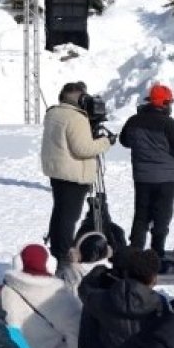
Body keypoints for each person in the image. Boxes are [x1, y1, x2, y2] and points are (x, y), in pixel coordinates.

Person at [41, 82, 114, 261]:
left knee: (59, 213)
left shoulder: (53, 113)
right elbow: (83, 148)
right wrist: (106, 142)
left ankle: (57, 250)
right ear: (81, 99)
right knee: (68, 218)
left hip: (58, 171)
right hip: (73, 175)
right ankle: (64, 255)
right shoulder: (76, 118)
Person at [119, 84, 174, 257]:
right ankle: (156, 253)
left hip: (142, 177)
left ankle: (135, 253)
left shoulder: (134, 120)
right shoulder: (169, 123)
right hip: (165, 179)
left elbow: (124, 141)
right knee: (161, 217)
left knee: (141, 216)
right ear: (165, 103)